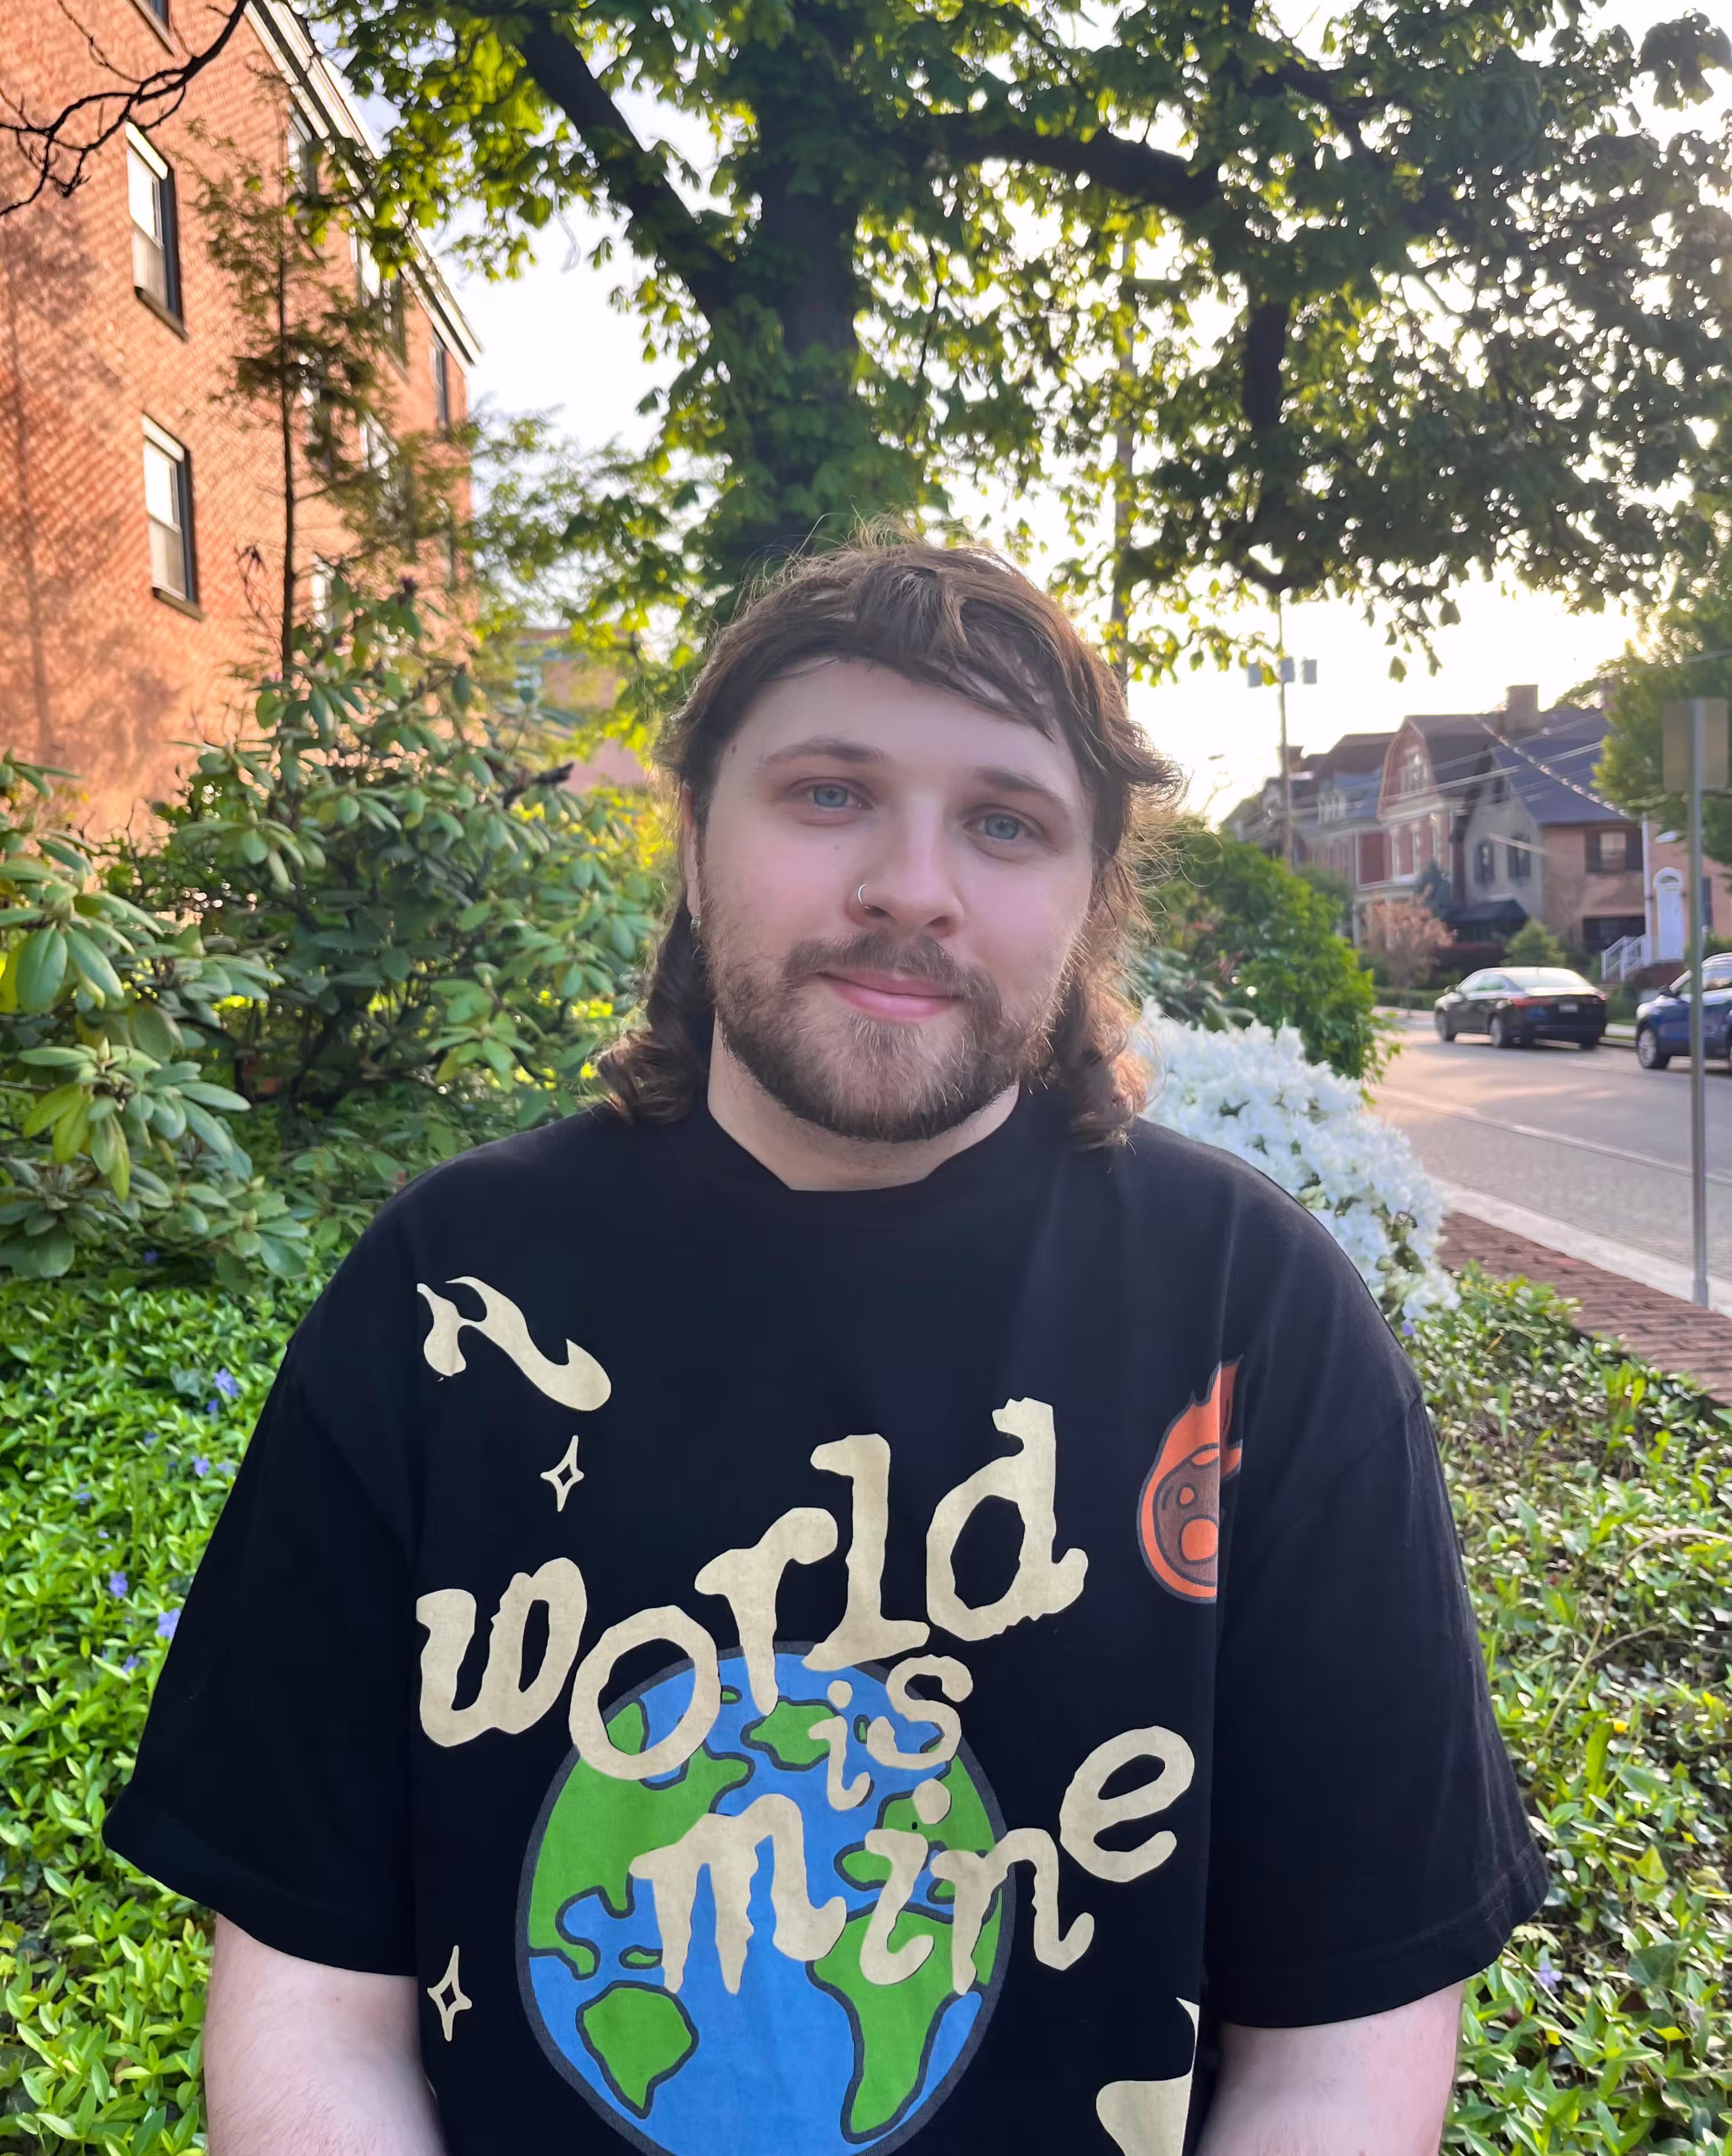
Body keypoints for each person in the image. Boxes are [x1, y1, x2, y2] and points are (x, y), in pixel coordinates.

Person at [106, 536, 1546, 2156]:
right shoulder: (450, 1302)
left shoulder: (1255, 1318)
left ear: (1086, 898)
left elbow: (1342, 2050)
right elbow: (312, 2005)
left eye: (1004, 823)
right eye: (829, 792)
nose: (912, 885)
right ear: (699, 839)